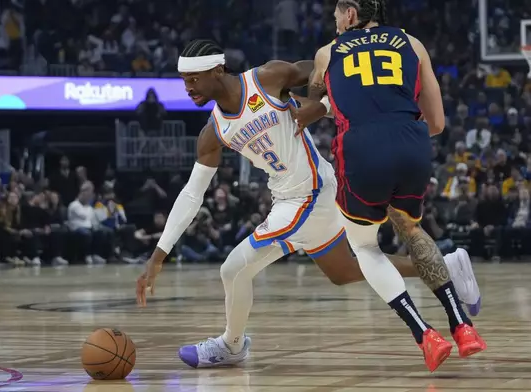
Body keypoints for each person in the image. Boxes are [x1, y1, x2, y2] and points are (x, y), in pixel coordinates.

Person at [135, 39, 481, 371]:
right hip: (291, 198)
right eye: (184, 81)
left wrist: (320, 104)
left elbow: (328, 72)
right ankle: (446, 268)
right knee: (343, 272)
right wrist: (158, 254)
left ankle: (232, 345)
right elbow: (192, 194)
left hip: (310, 193)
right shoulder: (213, 133)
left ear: (218, 70)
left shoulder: (266, 78)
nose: (188, 87)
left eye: (193, 79)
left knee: (232, 269)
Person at [290, 0, 485, 372]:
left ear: (349, 13)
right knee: (411, 228)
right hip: (412, 143)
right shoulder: (412, 44)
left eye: (335, 13)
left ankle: (424, 334)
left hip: (362, 147)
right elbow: (439, 123)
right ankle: (462, 326)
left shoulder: (327, 53)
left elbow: (313, 105)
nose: (333, 21)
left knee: (365, 248)